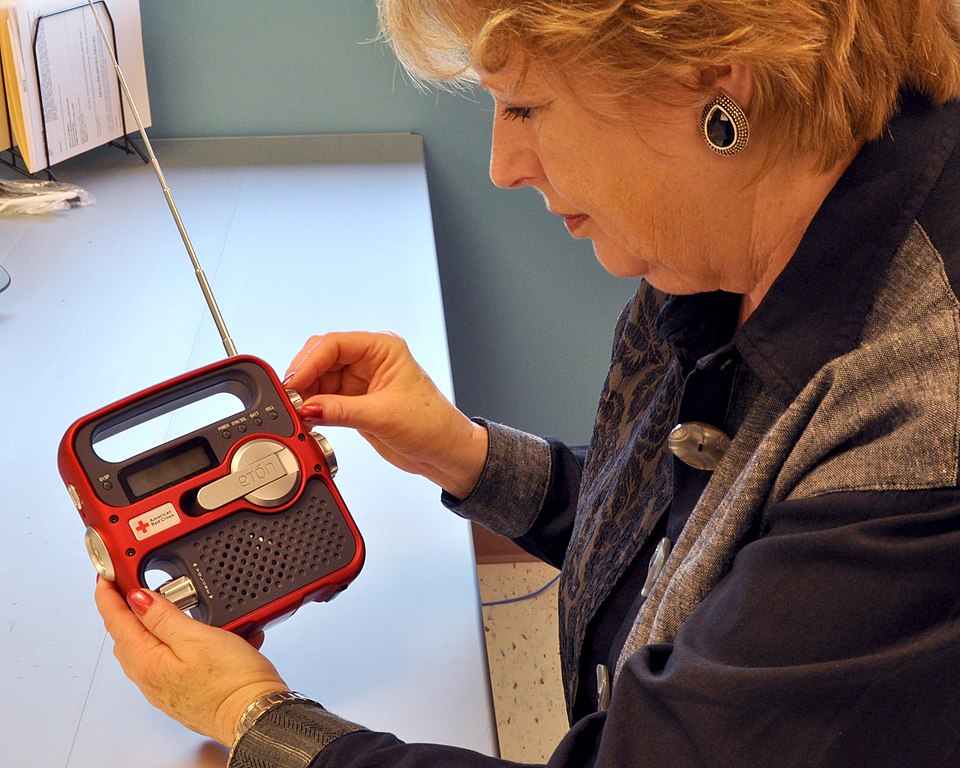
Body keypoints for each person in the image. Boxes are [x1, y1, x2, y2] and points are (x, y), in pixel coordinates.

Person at [95, 1, 960, 765]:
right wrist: (467, 456)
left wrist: (256, 718)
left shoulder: (918, 418)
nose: (505, 163)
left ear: (715, 80)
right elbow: (701, 548)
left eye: (527, 107)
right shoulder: (720, 246)